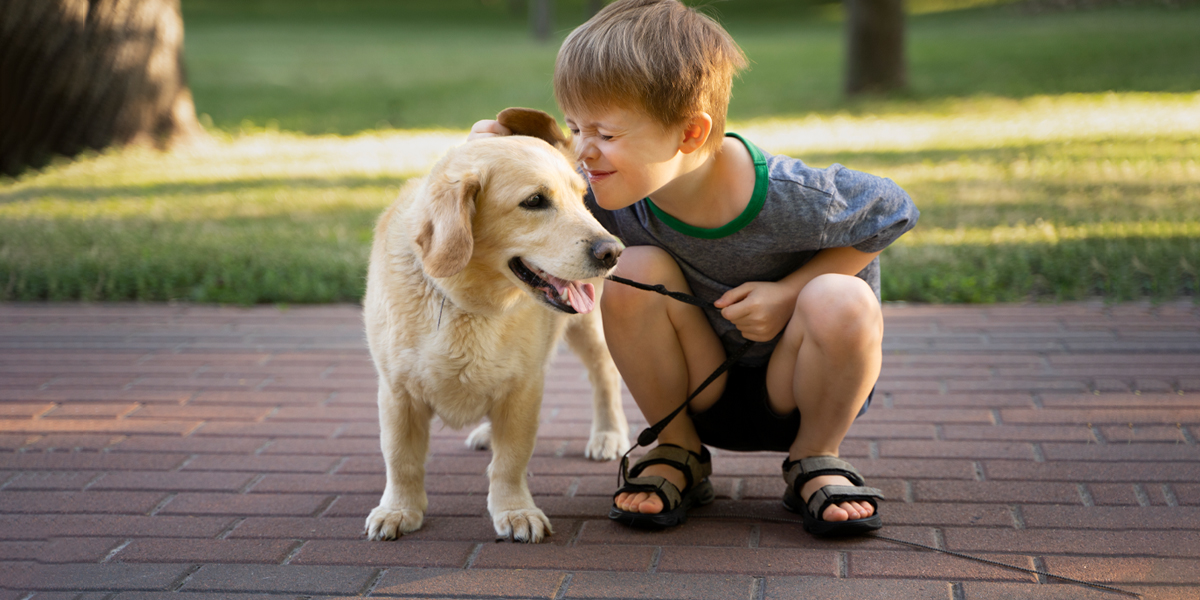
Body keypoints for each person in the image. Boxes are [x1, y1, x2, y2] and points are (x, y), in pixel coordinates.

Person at [469, 0, 918, 537]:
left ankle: (816, 460)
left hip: (801, 387)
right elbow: (537, 200)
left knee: (840, 297)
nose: (584, 153)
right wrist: (499, 153)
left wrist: (789, 294)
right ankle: (676, 449)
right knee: (633, 268)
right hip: (695, 390)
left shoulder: (795, 196)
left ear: (688, 134)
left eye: (605, 135)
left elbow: (895, 209)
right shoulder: (613, 191)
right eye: (575, 128)